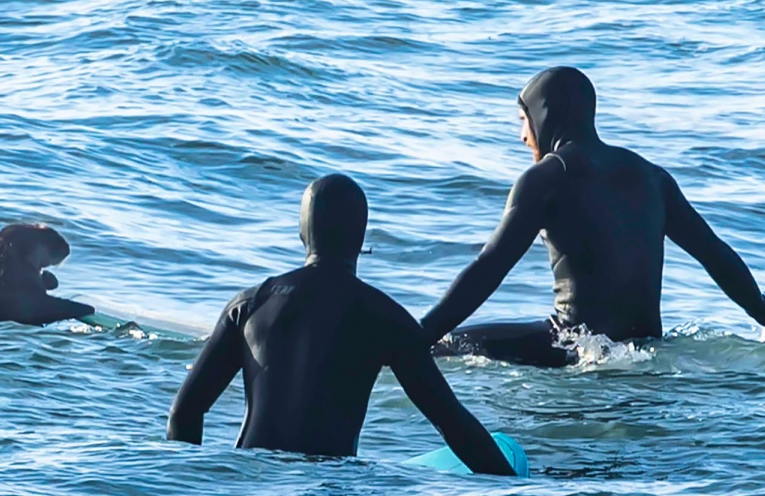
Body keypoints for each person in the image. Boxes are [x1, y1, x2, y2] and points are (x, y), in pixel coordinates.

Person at [421, 66, 765, 367]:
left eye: (522, 120)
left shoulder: (546, 178)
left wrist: (420, 333)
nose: (522, 136)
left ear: (544, 114)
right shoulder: (652, 177)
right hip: (645, 346)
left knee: (447, 346)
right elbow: (714, 253)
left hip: (578, 346)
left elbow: (489, 267)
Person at [168, 174, 516, 476]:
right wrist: (516, 490)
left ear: (302, 232)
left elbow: (185, 412)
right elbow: (452, 423)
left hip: (251, 486)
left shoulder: (250, 304)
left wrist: (193, 491)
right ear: (361, 238)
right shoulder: (385, 317)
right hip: (330, 492)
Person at [0, 224, 95, 326]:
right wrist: (81, 309)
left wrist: (41, 281)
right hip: (0, 326)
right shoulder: (17, 276)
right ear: (38, 249)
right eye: (44, 263)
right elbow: (34, 311)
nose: (42, 268)